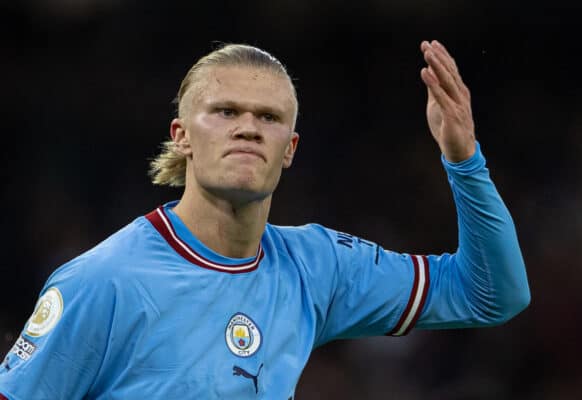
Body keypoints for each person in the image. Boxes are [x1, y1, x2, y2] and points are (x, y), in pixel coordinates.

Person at [0, 40, 530, 399]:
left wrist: (463, 160)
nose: (248, 128)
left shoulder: (317, 267)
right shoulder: (101, 282)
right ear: (182, 135)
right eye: (226, 112)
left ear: (290, 148)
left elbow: (492, 294)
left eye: (269, 117)